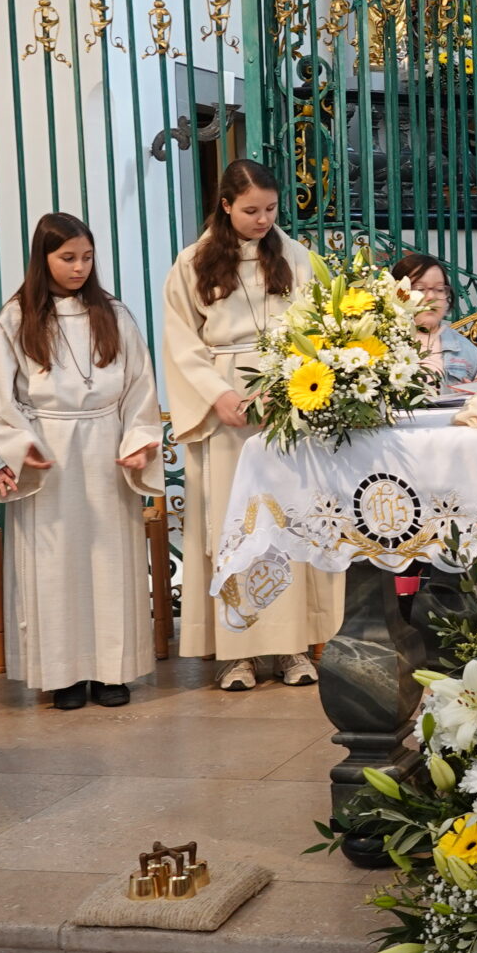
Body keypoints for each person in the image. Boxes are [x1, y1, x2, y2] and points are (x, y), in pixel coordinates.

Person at [164, 158, 344, 690]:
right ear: (225, 206)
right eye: (250, 211)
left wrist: (289, 381)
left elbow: (320, 328)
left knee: (288, 521)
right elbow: (181, 342)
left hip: (289, 399)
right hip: (226, 409)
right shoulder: (192, 263)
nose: (263, 220)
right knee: (235, 525)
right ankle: (236, 652)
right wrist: (217, 394)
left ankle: (291, 647)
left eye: (270, 208)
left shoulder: (296, 257)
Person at [0, 213, 160, 711]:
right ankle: (62, 675)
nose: (79, 268)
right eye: (67, 258)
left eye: (86, 257)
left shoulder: (113, 314)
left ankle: (112, 671)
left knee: (109, 561)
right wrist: (20, 444)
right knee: (55, 565)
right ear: (43, 259)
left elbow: (140, 386)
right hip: (49, 450)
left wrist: (139, 438)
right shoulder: (16, 318)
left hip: (106, 448)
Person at [389, 251, 477, 397]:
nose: (431, 296)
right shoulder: (380, 344)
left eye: (439, 289)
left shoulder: (466, 350)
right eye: (420, 289)